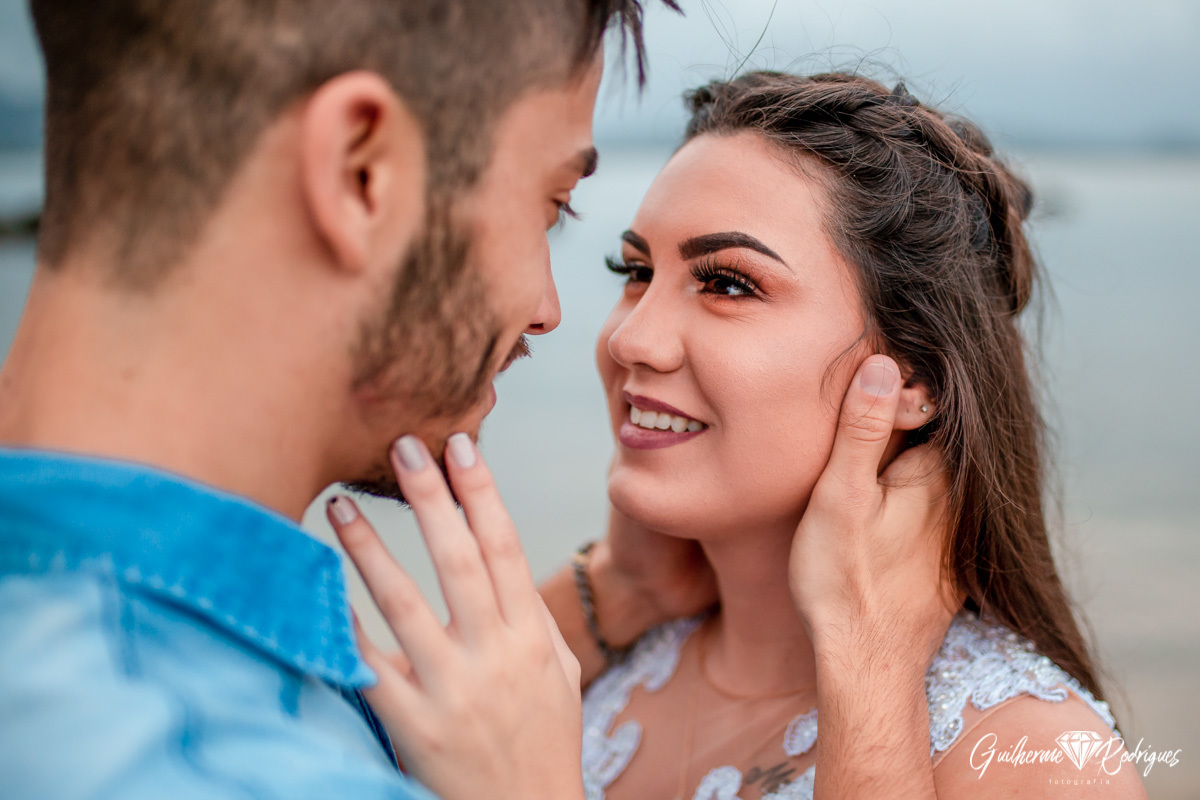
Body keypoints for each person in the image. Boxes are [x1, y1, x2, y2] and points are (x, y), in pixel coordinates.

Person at [0, 2, 951, 799]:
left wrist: (617, 595)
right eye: (551, 206)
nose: (553, 313)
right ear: (359, 174)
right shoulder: (199, 764)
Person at [556, 71, 1149, 798]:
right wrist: (622, 590)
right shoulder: (609, 653)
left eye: (728, 284)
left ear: (913, 377)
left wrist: (868, 670)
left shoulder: (1034, 754)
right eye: (636, 270)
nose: (632, 340)